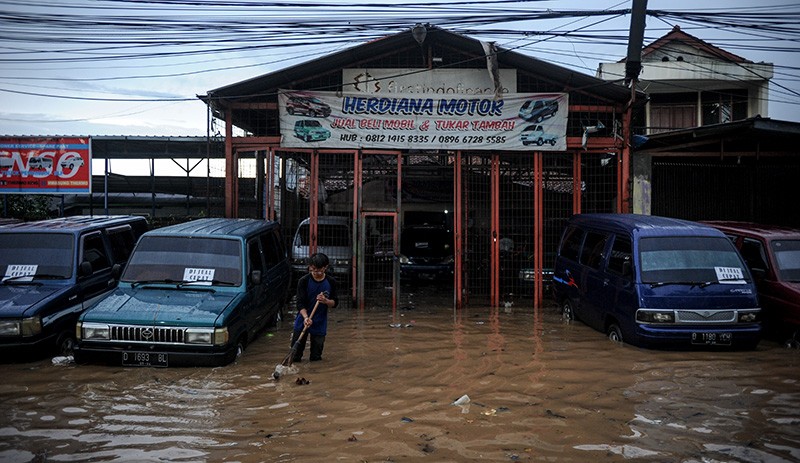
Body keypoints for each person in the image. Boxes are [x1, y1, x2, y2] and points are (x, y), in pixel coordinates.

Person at [291, 252, 339, 362]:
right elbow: (300, 303)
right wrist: (305, 317)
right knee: (295, 356)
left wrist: (325, 301)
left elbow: (335, 303)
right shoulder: (303, 281)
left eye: (319, 270)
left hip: (320, 322)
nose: (316, 273)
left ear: (325, 267)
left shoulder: (331, 282)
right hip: (303, 320)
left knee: (316, 358)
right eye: (313, 269)